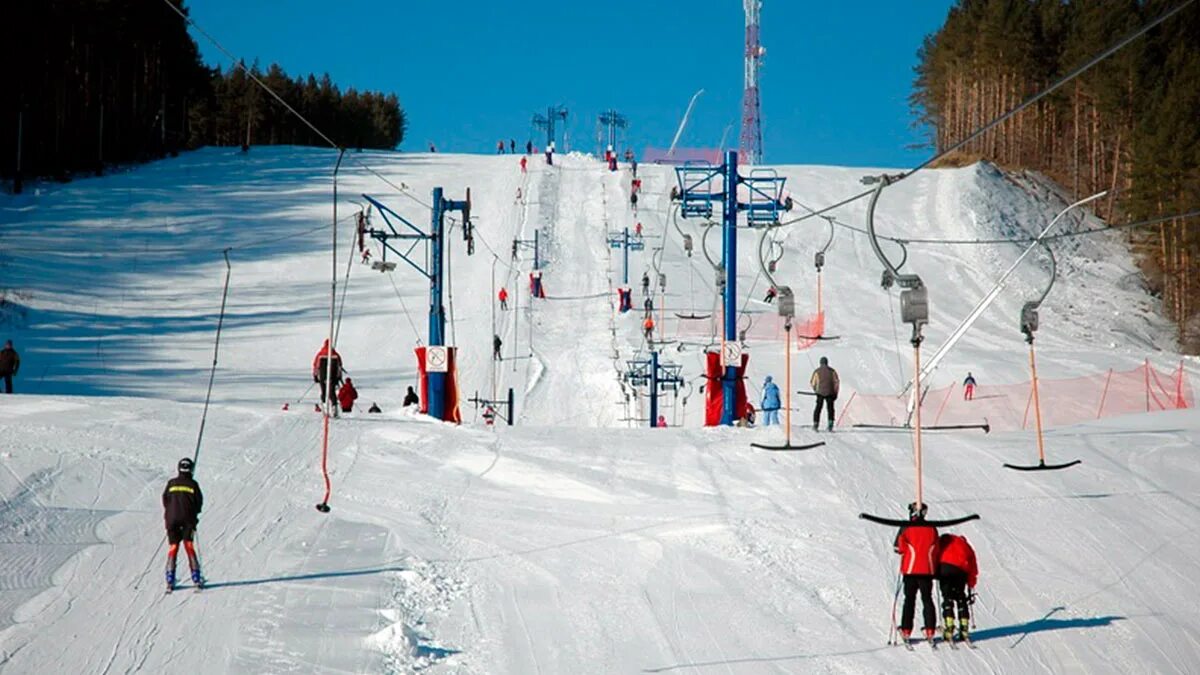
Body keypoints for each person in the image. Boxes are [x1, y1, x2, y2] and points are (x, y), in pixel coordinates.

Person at [895, 502, 939, 645]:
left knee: (910, 599)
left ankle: (906, 629)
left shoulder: (906, 527)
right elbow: (936, 548)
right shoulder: (932, 528)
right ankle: (930, 629)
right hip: (927, 569)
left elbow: (899, 548)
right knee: (927, 599)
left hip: (911, 569)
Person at [163, 457, 203, 590]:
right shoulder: (193, 484)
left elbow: (165, 500)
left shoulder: (171, 483)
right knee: (188, 545)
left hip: (172, 520)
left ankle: (170, 578)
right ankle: (196, 577)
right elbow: (199, 503)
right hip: (188, 520)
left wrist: (171, 513)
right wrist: (194, 515)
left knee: (173, 546)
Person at [938, 533, 978, 643]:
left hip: (945, 568)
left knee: (947, 597)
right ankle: (964, 628)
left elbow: (935, 553)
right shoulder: (966, 545)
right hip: (961, 571)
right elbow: (973, 566)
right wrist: (971, 583)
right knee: (961, 597)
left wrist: (935, 574)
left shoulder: (944, 540)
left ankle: (949, 626)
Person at [312, 339, 343, 410]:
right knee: (332, 391)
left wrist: (315, 376)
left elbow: (315, 365)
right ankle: (334, 405)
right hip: (333, 376)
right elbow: (340, 366)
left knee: (324, 390)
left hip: (322, 376)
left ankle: (324, 403)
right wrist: (339, 377)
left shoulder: (320, 354)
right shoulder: (335, 354)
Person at [810, 356, 839, 431]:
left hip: (820, 393)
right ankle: (830, 424)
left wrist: (816, 390)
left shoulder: (817, 371)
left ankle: (816, 424)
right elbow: (836, 383)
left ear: (820, 363)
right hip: (830, 393)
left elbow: (812, 383)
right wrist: (835, 393)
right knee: (830, 409)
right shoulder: (832, 371)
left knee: (818, 409)